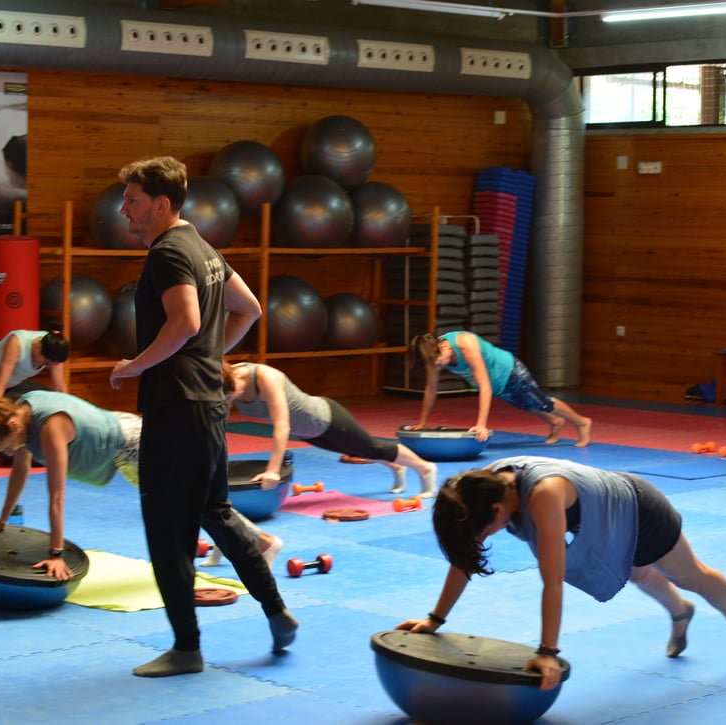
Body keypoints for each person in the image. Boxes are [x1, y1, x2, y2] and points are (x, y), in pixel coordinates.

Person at [108, 155, 296, 678]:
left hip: (177, 408)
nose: (124, 208)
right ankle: (277, 611)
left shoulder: (168, 251)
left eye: (133, 200)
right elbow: (249, 308)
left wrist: (134, 365)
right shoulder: (203, 246)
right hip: (208, 406)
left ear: (160, 205)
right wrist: (211, 359)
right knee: (215, 511)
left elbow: (186, 321)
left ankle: (187, 649)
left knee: (166, 529)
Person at [396, 455, 726, 691]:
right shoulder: (482, 488)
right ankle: (680, 612)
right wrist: (434, 619)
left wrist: (547, 652)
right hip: (600, 513)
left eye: (486, 530)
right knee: (637, 573)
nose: (488, 536)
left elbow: (552, 581)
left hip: (639, 507)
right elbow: (465, 557)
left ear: (497, 509)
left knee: (688, 575)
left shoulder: (542, 495)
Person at [0, 392, 282, 581]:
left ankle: (263, 542)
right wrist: (1, 521)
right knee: (182, 505)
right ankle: (233, 540)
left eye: (5, 443)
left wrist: (55, 554)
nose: (8, 450)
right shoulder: (22, 411)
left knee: (188, 502)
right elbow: (20, 468)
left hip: (135, 443)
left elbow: (56, 497)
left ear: (12, 425)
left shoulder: (49, 428)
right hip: (122, 445)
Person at [222, 361, 440, 499]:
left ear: (233, 382)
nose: (230, 403)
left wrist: (273, 470)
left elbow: (282, 426)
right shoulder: (222, 382)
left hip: (326, 417)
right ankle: (396, 468)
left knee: (372, 447)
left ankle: (425, 468)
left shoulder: (264, 377)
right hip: (309, 431)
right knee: (363, 451)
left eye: (230, 397)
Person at [410, 331, 592, 446]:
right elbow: (431, 388)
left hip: (509, 370)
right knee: (527, 404)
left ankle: (582, 422)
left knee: (542, 402)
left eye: (439, 363)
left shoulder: (466, 344)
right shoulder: (433, 353)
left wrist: (481, 424)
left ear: (443, 347)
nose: (438, 368)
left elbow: (485, 387)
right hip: (497, 383)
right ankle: (555, 422)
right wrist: (423, 422)